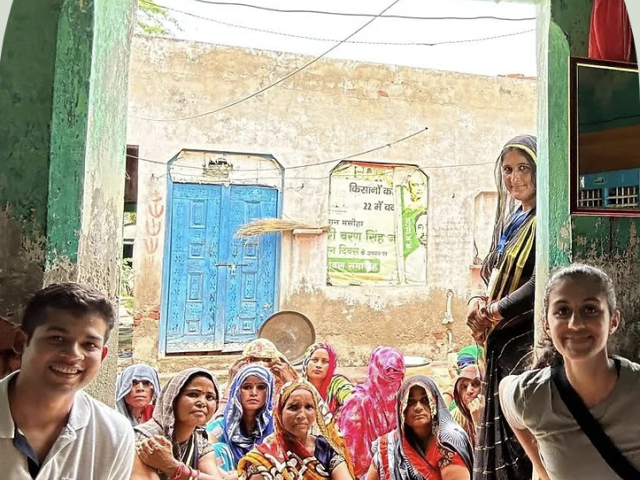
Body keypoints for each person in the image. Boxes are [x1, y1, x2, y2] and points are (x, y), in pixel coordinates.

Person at [500, 264, 640, 480]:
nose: (575, 324)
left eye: (590, 310)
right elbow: (504, 390)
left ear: (613, 321)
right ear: (547, 324)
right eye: (563, 311)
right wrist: (541, 468)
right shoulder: (532, 396)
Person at [0, 283, 135, 479]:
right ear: (21, 342)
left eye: (89, 345)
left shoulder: (113, 434)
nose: (73, 354)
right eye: (57, 338)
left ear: (102, 355)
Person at [465, 134, 537, 480]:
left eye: (524, 168)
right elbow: (489, 273)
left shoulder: (543, 221)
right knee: (498, 435)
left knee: (519, 436)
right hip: (497, 344)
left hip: (521, 346)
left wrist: (492, 312)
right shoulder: (513, 220)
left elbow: (540, 283)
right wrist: (476, 301)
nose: (514, 178)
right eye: (507, 169)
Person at [237, 379, 355, 480]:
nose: (302, 415)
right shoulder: (265, 457)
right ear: (279, 413)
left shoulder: (326, 448)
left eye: (309, 407)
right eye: (293, 407)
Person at [367, 376, 473, 480]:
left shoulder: (448, 441)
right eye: (410, 402)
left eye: (424, 400)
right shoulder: (390, 445)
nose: (418, 407)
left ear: (435, 403)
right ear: (401, 409)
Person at [132, 367, 224, 480]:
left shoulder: (199, 441)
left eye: (210, 397)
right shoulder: (145, 439)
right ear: (173, 399)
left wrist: (173, 467)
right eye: (193, 394)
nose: (202, 403)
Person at [338, 346, 406, 478]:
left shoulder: (403, 402)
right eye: (387, 371)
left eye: (396, 372)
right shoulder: (357, 403)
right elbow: (348, 450)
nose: (391, 377)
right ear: (375, 371)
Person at [207, 364, 275, 473]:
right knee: (216, 449)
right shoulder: (223, 425)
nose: (253, 393)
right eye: (247, 387)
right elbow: (203, 447)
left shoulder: (277, 425)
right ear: (237, 391)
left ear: (269, 392)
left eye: (261, 387)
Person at [216, 339, 298, 415]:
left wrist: (288, 380)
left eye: (266, 360)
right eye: (254, 359)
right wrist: (231, 383)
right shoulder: (227, 389)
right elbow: (217, 420)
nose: (260, 364)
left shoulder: (282, 390)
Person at [301, 342, 354, 421]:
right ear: (306, 362)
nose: (318, 365)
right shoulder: (299, 387)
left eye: (325, 361)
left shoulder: (337, 384)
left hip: (332, 432)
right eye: (315, 360)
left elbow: (352, 400)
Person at [449, 363, 483, 447]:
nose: (469, 391)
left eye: (476, 384)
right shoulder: (455, 418)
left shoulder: (501, 414)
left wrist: (477, 421)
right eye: (463, 387)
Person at [404, 211, 428, 284]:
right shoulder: (411, 260)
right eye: (420, 227)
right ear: (416, 232)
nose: (424, 231)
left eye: (427, 225)